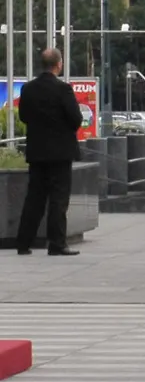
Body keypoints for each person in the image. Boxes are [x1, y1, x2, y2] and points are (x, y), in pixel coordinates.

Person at [13, 49, 83, 257]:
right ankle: (57, 243)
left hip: (37, 151)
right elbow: (76, 119)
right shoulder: (63, 90)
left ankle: (24, 243)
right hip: (61, 152)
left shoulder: (28, 89)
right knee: (58, 199)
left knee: (34, 197)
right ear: (58, 64)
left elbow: (24, 116)